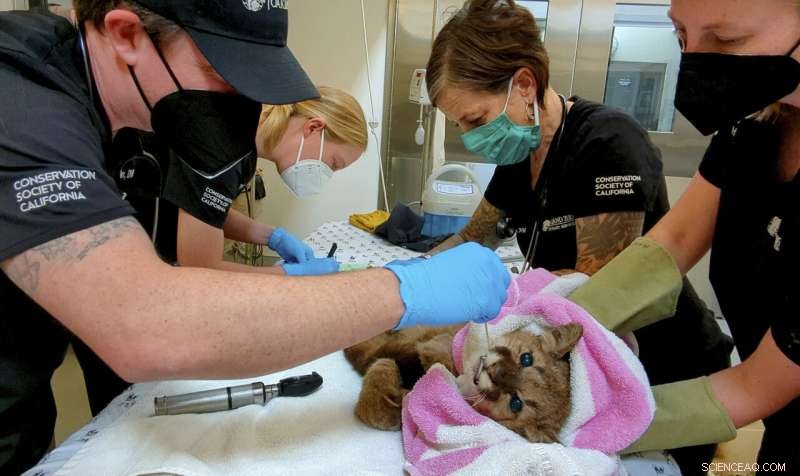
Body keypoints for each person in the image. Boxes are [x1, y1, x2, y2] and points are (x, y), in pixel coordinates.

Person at [0, 2, 510, 473]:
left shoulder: (125, 111)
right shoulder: (22, 99)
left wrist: (271, 240)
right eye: (224, 74)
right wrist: (401, 290)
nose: (244, 104)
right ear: (127, 33)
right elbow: (145, 321)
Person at [423, 1, 730, 473]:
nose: (469, 137)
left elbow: (593, 290)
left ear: (523, 85)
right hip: (566, 370)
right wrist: (411, 281)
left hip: (658, 369)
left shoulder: (608, 145)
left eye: (475, 120)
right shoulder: (517, 155)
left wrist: (502, 298)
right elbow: (472, 237)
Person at [568, 0, 800, 469]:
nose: (696, 61)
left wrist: (581, 424)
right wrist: (559, 319)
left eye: (728, 40)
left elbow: (754, 386)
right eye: (680, 36)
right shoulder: (754, 126)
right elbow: (672, 242)